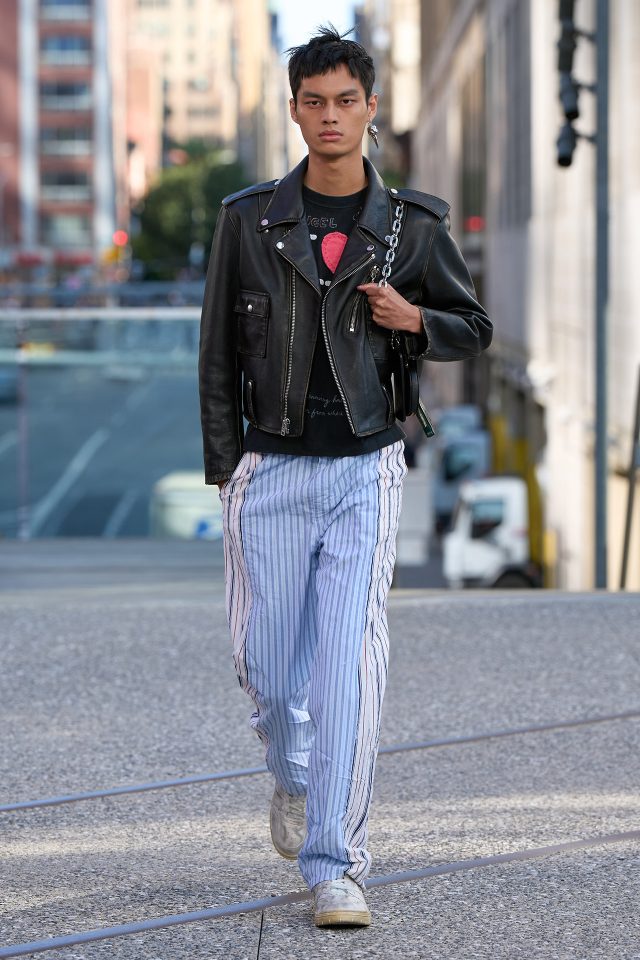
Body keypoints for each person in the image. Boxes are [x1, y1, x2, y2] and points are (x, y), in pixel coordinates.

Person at [198, 25, 492, 928]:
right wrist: (227, 471)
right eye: (314, 102)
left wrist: (416, 319)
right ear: (296, 110)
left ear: (370, 109)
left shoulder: (413, 226)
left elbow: (473, 328)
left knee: (349, 669)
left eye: (346, 101)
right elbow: (216, 356)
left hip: (367, 467)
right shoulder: (248, 221)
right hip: (270, 469)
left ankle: (336, 866)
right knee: (263, 665)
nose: (331, 117)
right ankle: (293, 774)